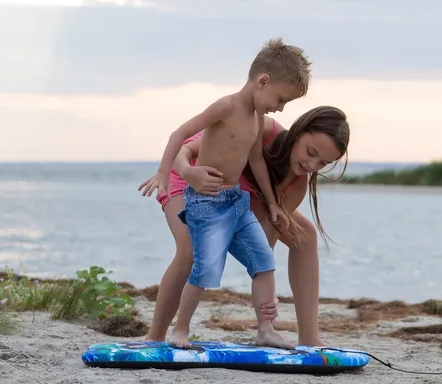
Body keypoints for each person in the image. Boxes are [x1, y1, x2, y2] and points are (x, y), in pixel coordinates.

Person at [138, 38, 312, 349]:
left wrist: (273, 204)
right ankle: (180, 329)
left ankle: (266, 330)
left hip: (236, 201)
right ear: (263, 81)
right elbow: (180, 134)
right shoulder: (226, 107)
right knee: (203, 267)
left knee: (264, 261)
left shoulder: (257, 119)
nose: (280, 108)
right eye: (281, 99)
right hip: (205, 202)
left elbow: (256, 160)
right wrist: (169, 173)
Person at [140, 105, 350, 347]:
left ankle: (309, 337)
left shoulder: (297, 184)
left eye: (323, 163)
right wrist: (189, 172)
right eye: (310, 152)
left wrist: (266, 296)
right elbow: (184, 148)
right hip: (193, 176)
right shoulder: (264, 130)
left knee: (304, 236)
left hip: (240, 195)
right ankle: (155, 336)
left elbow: (264, 244)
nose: (313, 165)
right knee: (189, 249)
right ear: (298, 131)